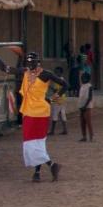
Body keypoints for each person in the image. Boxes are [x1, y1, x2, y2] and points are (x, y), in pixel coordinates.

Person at [8, 52, 64, 182]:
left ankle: (41, 171)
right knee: (33, 144)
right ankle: (48, 167)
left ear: (38, 62)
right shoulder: (25, 72)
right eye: (28, 63)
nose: (30, 65)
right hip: (28, 111)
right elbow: (6, 69)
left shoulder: (46, 74)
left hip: (40, 112)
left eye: (32, 62)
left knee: (35, 143)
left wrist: (52, 99)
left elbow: (64, 85)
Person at [48, 71, 68, 136]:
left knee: (55, 115)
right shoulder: (60, 80)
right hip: (62, 100)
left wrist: (50, 87)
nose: (56, 74)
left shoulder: (59, 81)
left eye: (57, 72)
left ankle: (52, 131)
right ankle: (65, 130)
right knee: (62, 115)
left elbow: (56, 90)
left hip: (57, 100)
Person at [78, 71, 95, 141]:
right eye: (81, 78)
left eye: (83, 78)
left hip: (87, 107)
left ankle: (92, 136)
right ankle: (84, 136)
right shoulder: (82, 86)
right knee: (82, 122)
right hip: (81, 106)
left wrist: (85, 106)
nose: (82, 79)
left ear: (87, 79)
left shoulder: (89, 86)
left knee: (88, 122)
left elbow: (90, 97)